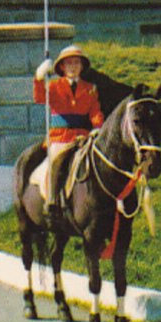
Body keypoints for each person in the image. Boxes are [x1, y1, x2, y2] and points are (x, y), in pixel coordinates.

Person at [32, 45, 104, 224]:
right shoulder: (54, 85)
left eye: (76, 63)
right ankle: (52, 202)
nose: (73, 67)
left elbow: (95, 112)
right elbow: (39, 97)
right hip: (60, 137)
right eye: (69, 63)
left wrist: (97, 127)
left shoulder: (90, 89)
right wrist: (39, 77)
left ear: (81, 66)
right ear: (62, 67)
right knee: (56, 161)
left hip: (82, 136)